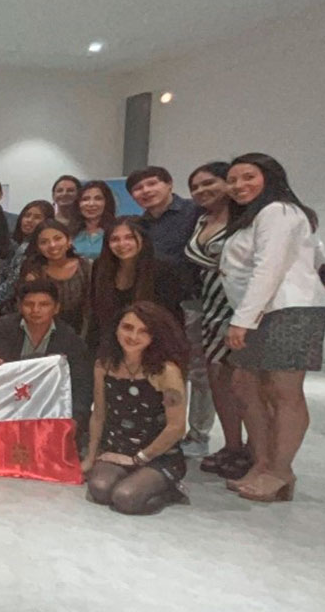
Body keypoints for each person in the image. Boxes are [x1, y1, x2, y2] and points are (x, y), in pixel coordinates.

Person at [221, 153, 325, 502]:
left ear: (271, 177)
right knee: (245, 384)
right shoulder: (255, 216)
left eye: (248, 177)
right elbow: (314, 252)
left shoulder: (278, 210)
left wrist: (242, 320)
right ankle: (263, 462)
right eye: (233, 179)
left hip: (288, 310)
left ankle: (281, 470)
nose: (239, 185)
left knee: (284, 391)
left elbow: (269, 267)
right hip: (261, 311)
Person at [126, 166, 208, 457]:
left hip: (191, 302)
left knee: (198, 372)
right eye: (138, 188)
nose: (146, 191)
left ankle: (198, 435)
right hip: (157, 306)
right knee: (165, 369)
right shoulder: (139, 225)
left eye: (152, 184)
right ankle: (165, 428)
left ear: (169, 184)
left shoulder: (193, 212)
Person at [83, 301, 190, 515]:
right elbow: (99, 414)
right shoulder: (104, 364)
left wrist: (139, 459)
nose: (133, 336)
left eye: (143, 331)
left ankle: (170, 490)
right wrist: (91, 456)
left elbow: (177, 427)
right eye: (127, 327)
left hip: (159, 455)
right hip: (117, 450)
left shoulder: (165, 371)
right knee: (100, 490)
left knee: (126, 499)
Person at [183, 162, 249, 479]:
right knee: (217, 381)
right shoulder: (201, 220)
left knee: (244, 385)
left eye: (209, 183)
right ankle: (233, 446)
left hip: (241, 308)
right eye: (195, 187)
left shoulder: (247, 219)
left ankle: (259, 454)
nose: (201, 191)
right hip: (209, 306)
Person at [0, 280, 93, 445]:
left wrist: (75, 420)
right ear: (20, 306)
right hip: (10, 406)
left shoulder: (70, 339)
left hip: (50, 408)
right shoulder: (5, 327)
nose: (35, 310)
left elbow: (81, 387)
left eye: (44, 304)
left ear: (56, 308)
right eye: (29, 304)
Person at [85, 218, 177, 351]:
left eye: (129, 238)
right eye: (115, 239)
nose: (122, 244)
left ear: (142, 239)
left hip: (152, 345)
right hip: (110, 344)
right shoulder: (100, 267)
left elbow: (169, 319)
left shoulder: (163, 270)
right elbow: (96, 315)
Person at [19, 220, 90, 333]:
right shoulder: (34, 272)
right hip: (43, 331)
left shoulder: (86, 267)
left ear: (69, 240)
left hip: (81, 331)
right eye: (44, 242)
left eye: (57, 239)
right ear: (38, 247)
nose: (52, 245)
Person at [71, 181, 116, 260]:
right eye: (85, 199)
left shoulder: (116, 230)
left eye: (98, 198)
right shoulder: (70, 232)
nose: (91, 204)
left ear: (107, 202)